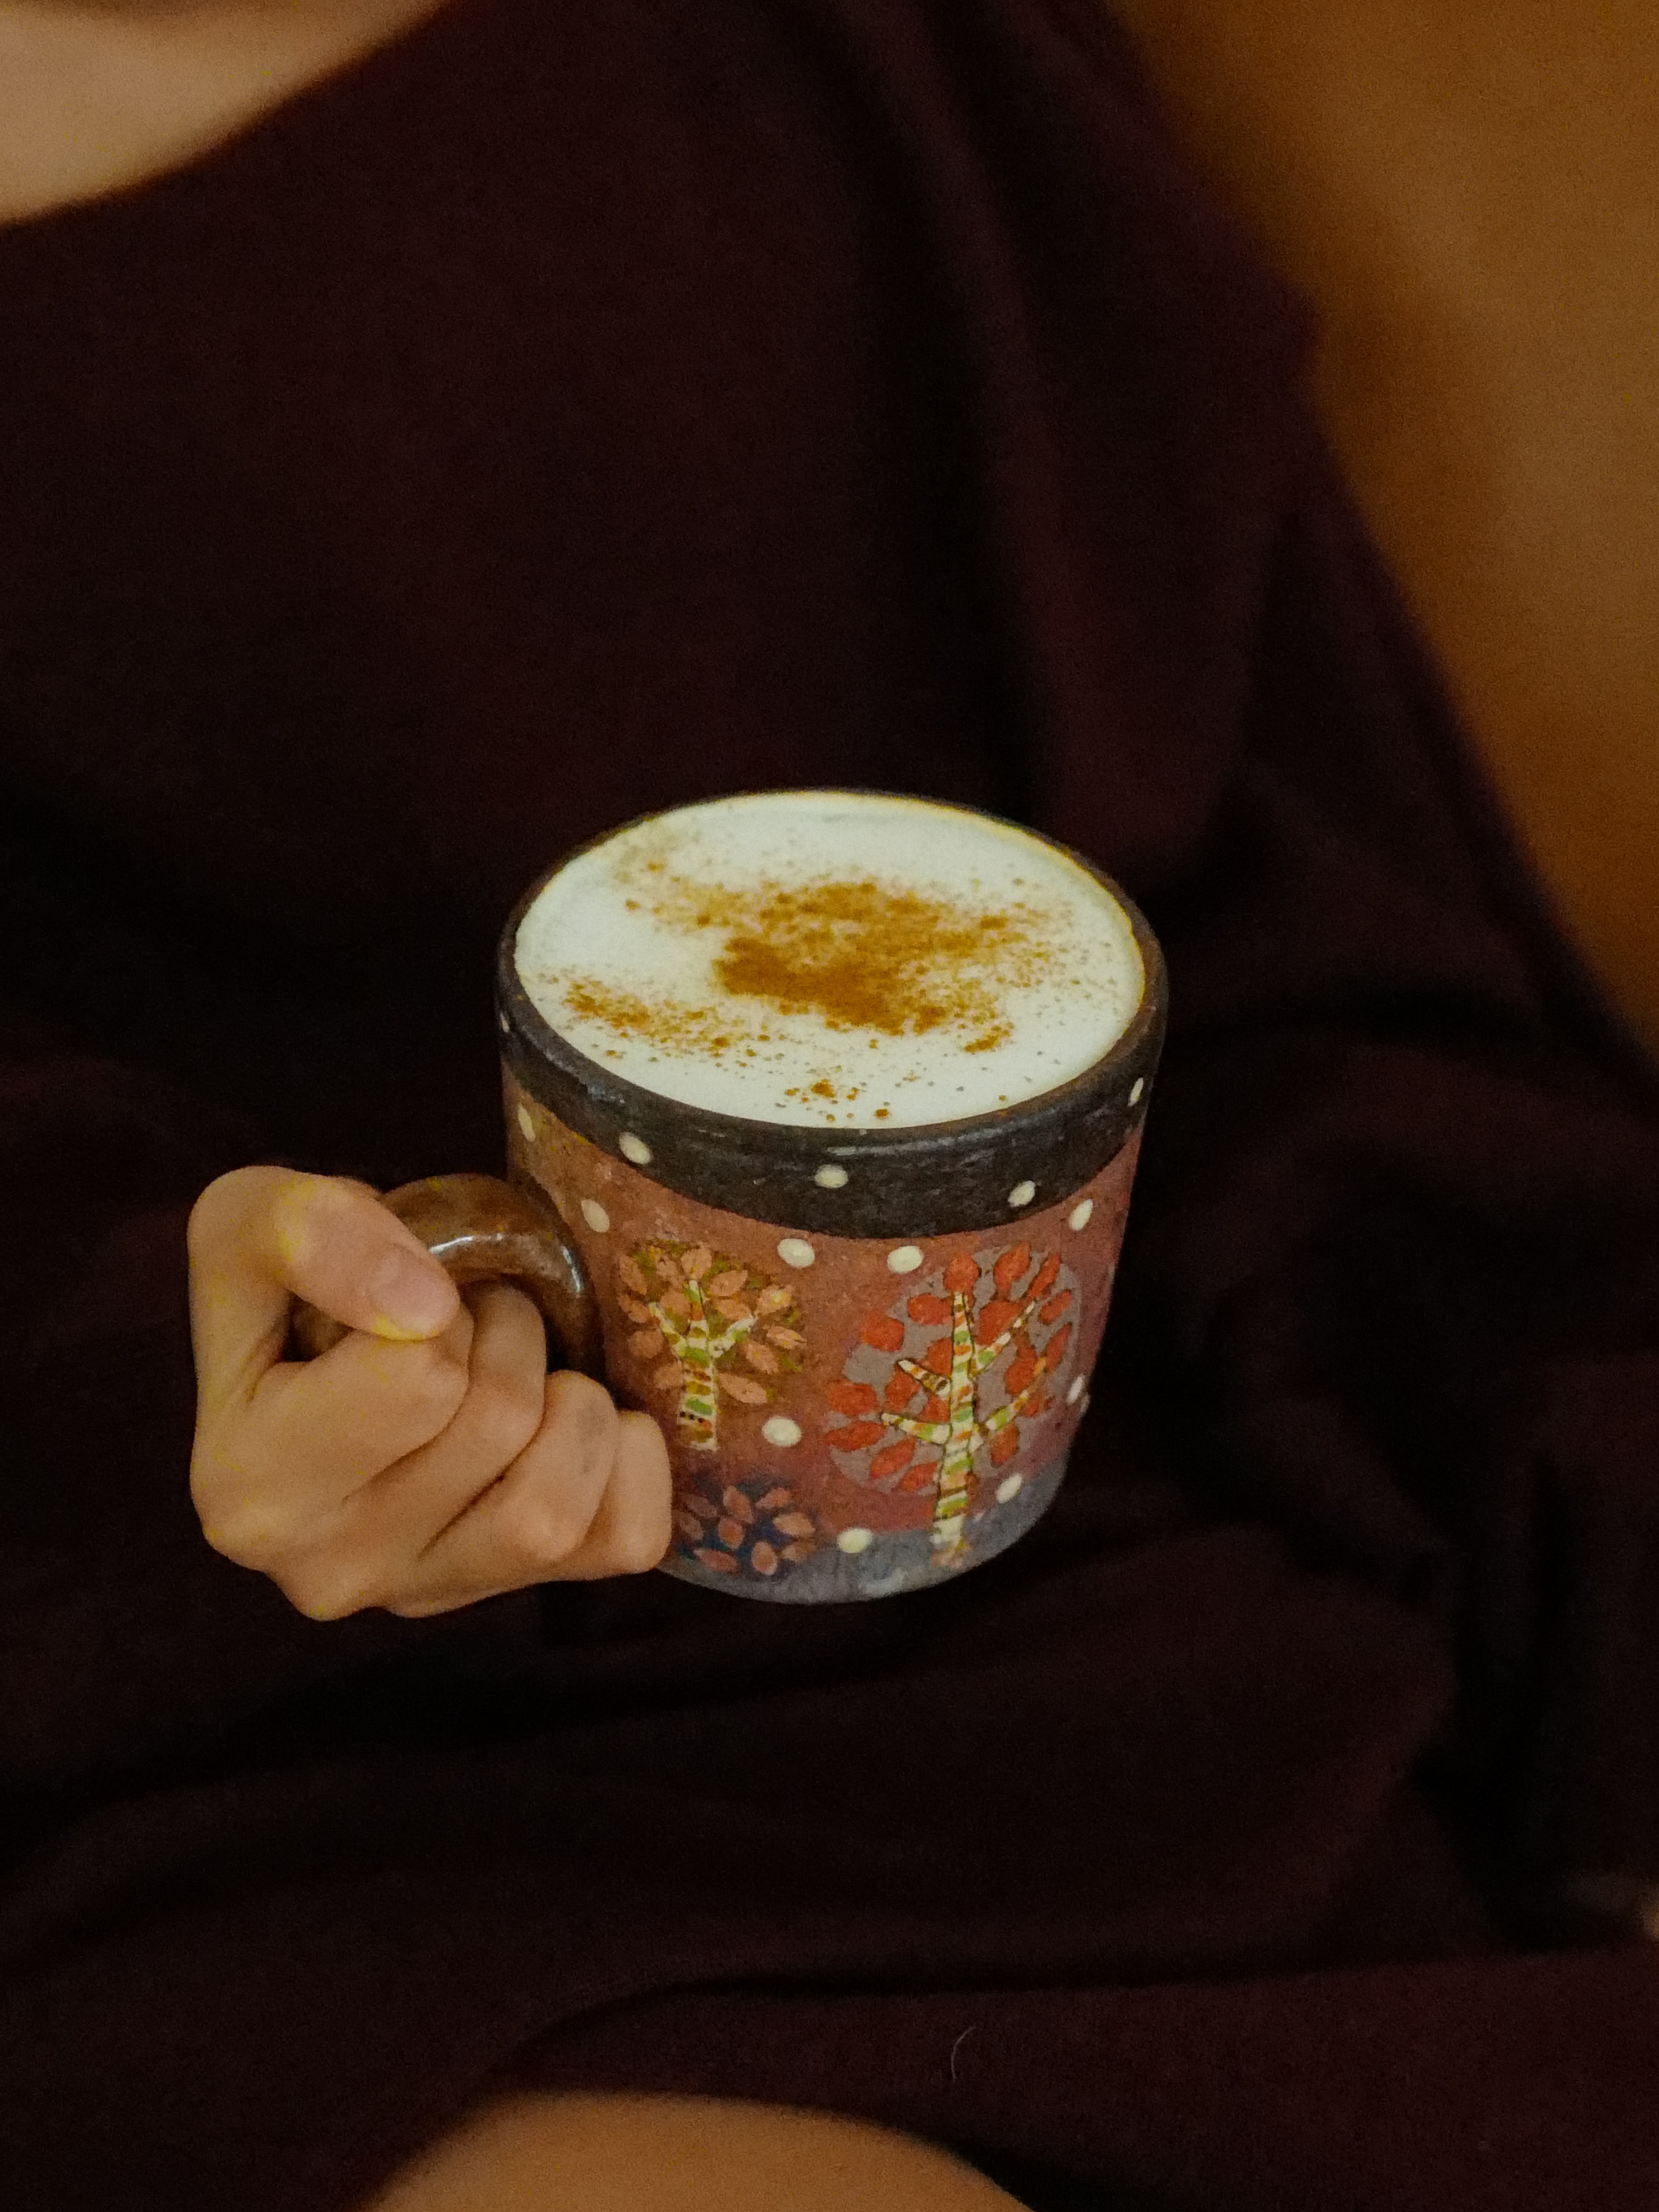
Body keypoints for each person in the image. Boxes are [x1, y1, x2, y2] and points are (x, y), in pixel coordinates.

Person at [1, 2, 1655, 2208]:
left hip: (1118, 1656)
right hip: (279, 1773)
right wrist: (178, 1370)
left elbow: (1313, 962)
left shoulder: (876, 61)